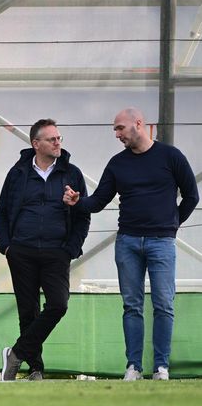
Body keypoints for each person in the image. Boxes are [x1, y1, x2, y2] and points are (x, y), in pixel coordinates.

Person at [63, 108, 198, 381]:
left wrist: (172, 225)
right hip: (128, 242)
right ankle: (133, 367)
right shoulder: (117, 164)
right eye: (115, 130)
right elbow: (98, 201)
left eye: (120, 128)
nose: (117, 134)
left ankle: (161, 367)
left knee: (163, 304)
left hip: (162, 242)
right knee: (132, 305)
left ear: (139, 124)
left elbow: (191, 196)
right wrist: (78, 202)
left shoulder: (170, 157)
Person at [0, 119, 90, 381]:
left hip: (57, 252)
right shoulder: (18, 173)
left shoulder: (72, 173)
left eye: (59, 138)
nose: (58, 142)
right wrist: (7, 246)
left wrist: (71, 248)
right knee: (28, 311)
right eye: (52, 139)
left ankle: (15, 353)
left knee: (58, 305)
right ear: (36, 144)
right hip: (21, 251)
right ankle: (35, 369)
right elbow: (1, 213)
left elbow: (83, 215)